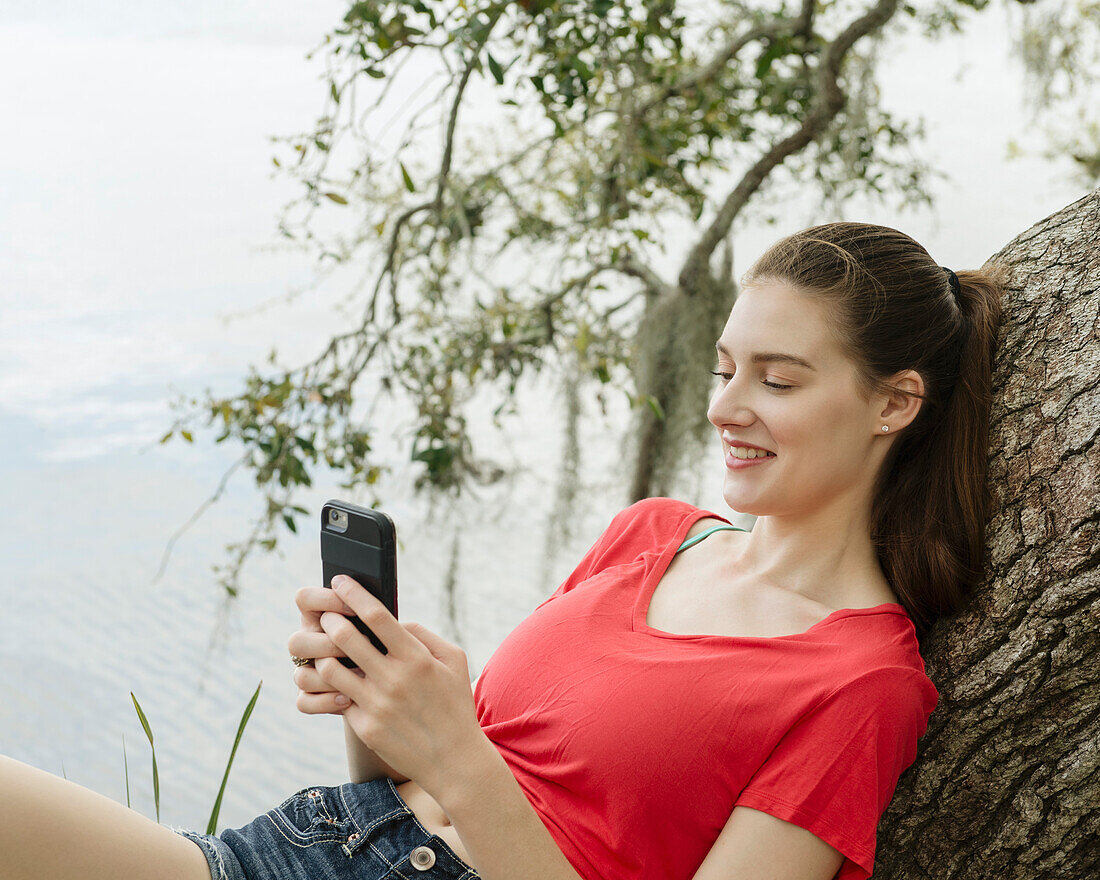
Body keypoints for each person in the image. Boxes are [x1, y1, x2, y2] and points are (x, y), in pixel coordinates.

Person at [0, 221, 1006, 880]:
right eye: (723, 366)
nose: (723, 408)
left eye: (776, 381)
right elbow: (437, 782)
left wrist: (454, 753)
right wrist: (385, 700)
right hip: (305, 849)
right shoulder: (652, 533)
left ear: (892, 401)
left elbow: (477, 788)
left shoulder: (858, 685)